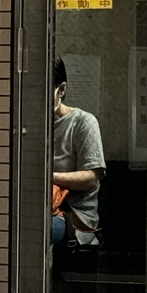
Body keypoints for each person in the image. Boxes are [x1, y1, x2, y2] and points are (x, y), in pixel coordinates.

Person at [51, 56, 106, 246]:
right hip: (39, 208)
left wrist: (48, 177)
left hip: (72, 215)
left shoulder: (83, 122)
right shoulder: (30, 124)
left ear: (61, 89)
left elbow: (91, 178)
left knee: (35, 230)